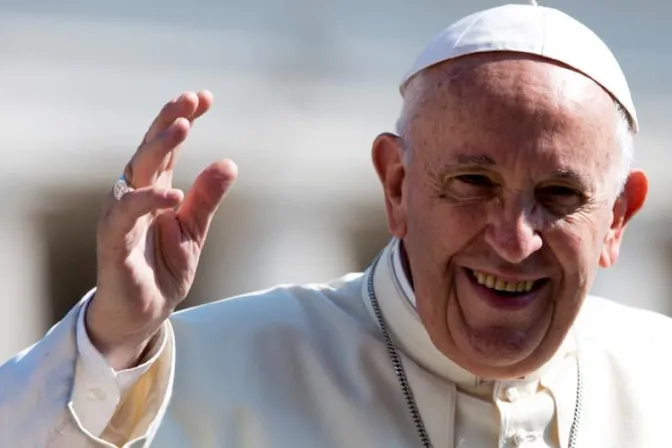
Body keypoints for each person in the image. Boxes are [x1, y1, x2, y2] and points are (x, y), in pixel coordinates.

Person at [0, 2, 669, 447]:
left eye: (557, 195)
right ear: (398, 186)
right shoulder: (202, 369)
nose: (514, 238)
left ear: (617, 218)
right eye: (473, 183)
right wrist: (111, 344)